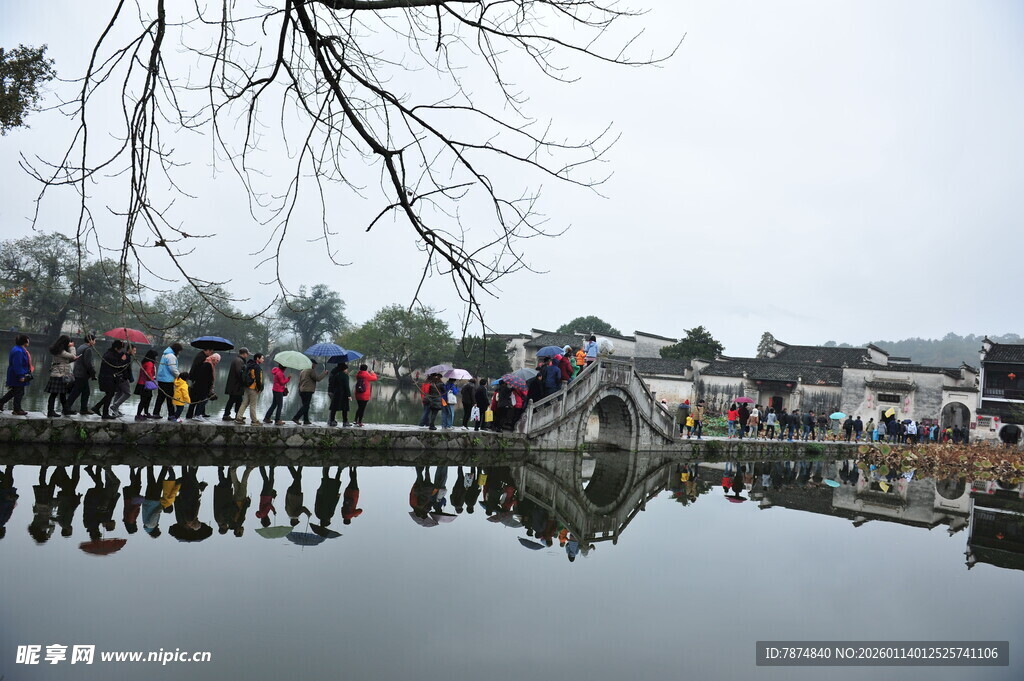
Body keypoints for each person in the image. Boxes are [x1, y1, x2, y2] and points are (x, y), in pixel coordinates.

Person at [94, 340, 130, 420]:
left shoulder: (111, 353)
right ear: (116, 348)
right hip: (107, 378)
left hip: (108, 377)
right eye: (120, 349)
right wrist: (123, 360)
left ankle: (101, 410)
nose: (120, 351)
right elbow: (117, 366)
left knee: (109, 395)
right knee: (110, 394)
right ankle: (101, 410)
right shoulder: (110, 355)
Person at [44, 335, 78, 417]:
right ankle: (51, 411)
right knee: (54, 394)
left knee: (62, 393)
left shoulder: (57, 349)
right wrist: (72, 347)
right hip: (59, 374)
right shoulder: (61, 351)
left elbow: (66, 360)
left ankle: (66, 410)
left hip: (58, 373)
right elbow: (73, 356)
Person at [65, 333, 97, 415]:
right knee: (76, 392)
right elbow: (88, 363)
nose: (95, 342)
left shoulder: (81, 347)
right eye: (94, 340)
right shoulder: (88, 349)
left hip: (78, 372)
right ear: (90, 340)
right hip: (82, 374)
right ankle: (66, 408)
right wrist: (93, 373)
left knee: (85, 392)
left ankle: (83, 409)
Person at [152, 342, 183, 419]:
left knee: (160, 397)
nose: (179, 353)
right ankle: (171, 415)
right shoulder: (171, 356)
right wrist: (179, 376)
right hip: (168, 380)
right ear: (177, 350)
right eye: (179, 351)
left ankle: (156, 413)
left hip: (161, 379)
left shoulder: (165, 354)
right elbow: (173, 369)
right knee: (170, 398)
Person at [292, 359, 327, 426]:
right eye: (314, 364)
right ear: (311, 364)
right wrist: (324, 373)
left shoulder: (303, 370)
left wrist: (299, 389)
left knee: (306, 405)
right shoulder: (311, 371)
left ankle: (306, 420)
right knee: (306, 406)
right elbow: (318, 379)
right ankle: (296, 418)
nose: (315, 366)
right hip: (308, 391)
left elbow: (300, 381)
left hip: (302, 390)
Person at [235, 353, 265, 426]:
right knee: (253, 405)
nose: (263, 360)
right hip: (253, 388)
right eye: (262, 358)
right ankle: (254, 421)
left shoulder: (249, 364)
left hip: (247, 386)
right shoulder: (257, 367)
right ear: (257, 359)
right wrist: (259, 388)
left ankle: (238, 418)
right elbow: (258, 379)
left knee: (244, 403)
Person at [188, 352, 219, 420]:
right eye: (217, 360)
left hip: (201, 386)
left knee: (200, 400)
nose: (217, 362)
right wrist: (210, 386)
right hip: (203, 386)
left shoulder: (208, 363)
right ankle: (197, 415)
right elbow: (206, 377)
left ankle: (195, 415)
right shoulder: (208, 365)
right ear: (214, 358)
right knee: (203, 400)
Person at [221, 348, 250, 421]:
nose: (248, 355)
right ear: (244, 353)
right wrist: (245, 381)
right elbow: (239, 373)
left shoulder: (238, 360)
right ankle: (226, 415)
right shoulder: (239, 361)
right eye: (247, 353)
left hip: (236, 385)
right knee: (232, 400)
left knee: (238, 400)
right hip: (235, 385)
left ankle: (238, 414)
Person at [110, 343, 137, 417]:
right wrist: (127, 377)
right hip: (122, 378)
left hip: (120, 377)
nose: (135, 352)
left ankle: (115, 410)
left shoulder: (127, 356)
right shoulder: (125, 356)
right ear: (130, 350)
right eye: (134, 350)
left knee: (119, 393)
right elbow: (122, 367)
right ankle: (115, 406)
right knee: (127, 393)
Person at [135, 349, 159, 420]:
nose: (156, 357)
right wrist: (152, 380)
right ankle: (138, 414)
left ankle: (146, 413)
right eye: (156, 356)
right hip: (145, 384)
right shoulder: (149, 363)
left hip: (143, 383)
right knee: (144, 400)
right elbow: (148, 372)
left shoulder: (145, 362)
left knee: (148, 398)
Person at [265, 361, 292, 425]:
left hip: (275, 389)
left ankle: (267, 417)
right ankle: (277, 420)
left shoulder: (278, 371)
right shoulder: (280, 373)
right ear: (284, 367)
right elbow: (282, 382)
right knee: (280, 405)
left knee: (274, 404)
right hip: (278, 390)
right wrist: (288, 378)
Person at [326, 362, 350, 427]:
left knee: (334, 407)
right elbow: (346, 386)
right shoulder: (344, 375)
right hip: (343, 394)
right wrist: (349, 395)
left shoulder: (335, 373)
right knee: (344, 408)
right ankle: (345, 421)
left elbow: (332, 383)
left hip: (335, 392)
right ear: (343, 368)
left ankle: (331, 420)